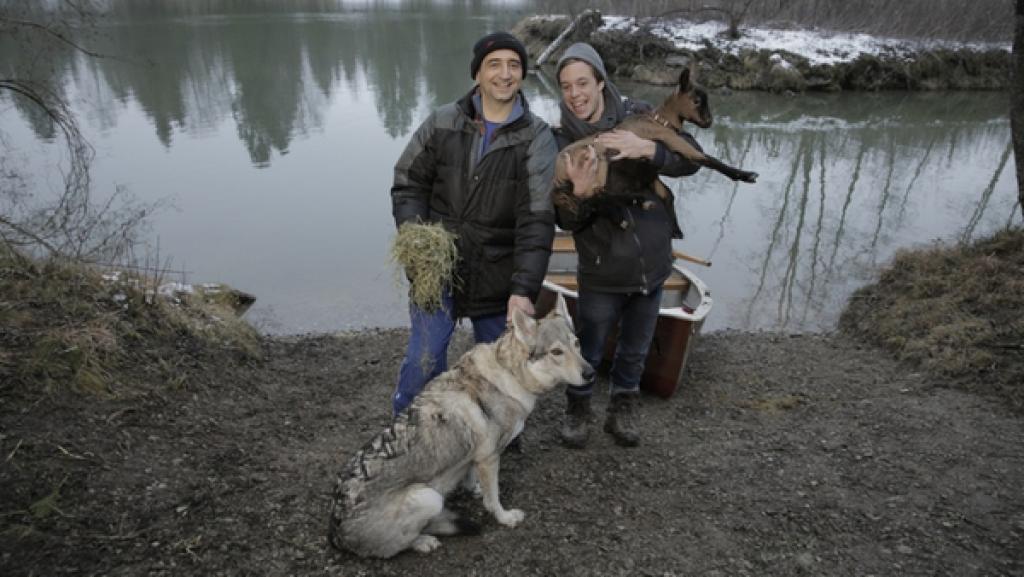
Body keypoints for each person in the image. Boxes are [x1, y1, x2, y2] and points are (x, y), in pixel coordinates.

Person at [389, 31, 557, 416]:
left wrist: (523, 289)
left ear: (523, 74)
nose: (505, 74)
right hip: (437, 271)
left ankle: (500, 436)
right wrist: (417, 243)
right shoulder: (442, 122)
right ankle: (406, 431)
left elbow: (536, 219)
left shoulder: (537, 137)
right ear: (477, 74)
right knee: (423, 361)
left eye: (514, 65)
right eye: (494, 64)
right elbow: (408, 183)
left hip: (498, 274)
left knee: (503, 374)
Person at [552, 42, 702, 448]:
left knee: (636, 348)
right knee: (589, 347)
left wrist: (651, 150)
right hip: (602, 269)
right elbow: (564, 220)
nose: (575, 94)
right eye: (566, 86)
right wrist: (580, 195)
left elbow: (692, 159)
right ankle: (578, 408)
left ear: (601, 82)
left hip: (653, 263)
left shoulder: (641, 115)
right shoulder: (560, 141)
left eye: (583, 83)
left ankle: (622, 408)